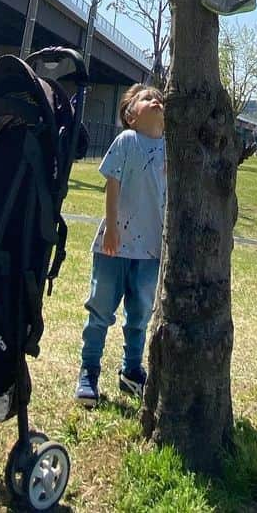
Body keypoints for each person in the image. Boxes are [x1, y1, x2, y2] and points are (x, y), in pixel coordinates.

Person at [75, 84, 166, 408]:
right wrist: (112, 228)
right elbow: (112, 185)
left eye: (159, 98)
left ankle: (131, 370)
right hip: (114, 246)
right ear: (130, 115)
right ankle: (89, 372)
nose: (156, 100)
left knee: (140, 314)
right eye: (146, 98)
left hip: (152, 251)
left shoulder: (171, 148)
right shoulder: (127, 141)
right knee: (100, 311)